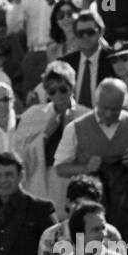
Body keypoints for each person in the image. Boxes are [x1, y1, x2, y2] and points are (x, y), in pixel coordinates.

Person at [53, 78, 128, 245]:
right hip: (91, 205)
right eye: (104, 108)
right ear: (96, 102)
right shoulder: (76, 128)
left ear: (123, 105)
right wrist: (85, 167)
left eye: (115, 109)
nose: (109, 114)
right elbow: (60, 168)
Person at [13, 61, 87, 205]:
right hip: (40, 181)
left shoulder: (86, 115)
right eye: (52, 91)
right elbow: (19, 157)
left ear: (72, 87)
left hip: (73, 180)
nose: (58, 95)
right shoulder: (32, 115)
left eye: (63, 89)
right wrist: (45, 135)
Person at [62, 11, 115, 110]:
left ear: (101, 32)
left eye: (90, 32)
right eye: (80, 33)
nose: (85, 36)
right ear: (75, 35)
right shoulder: (65, 63)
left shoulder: (113, 60)